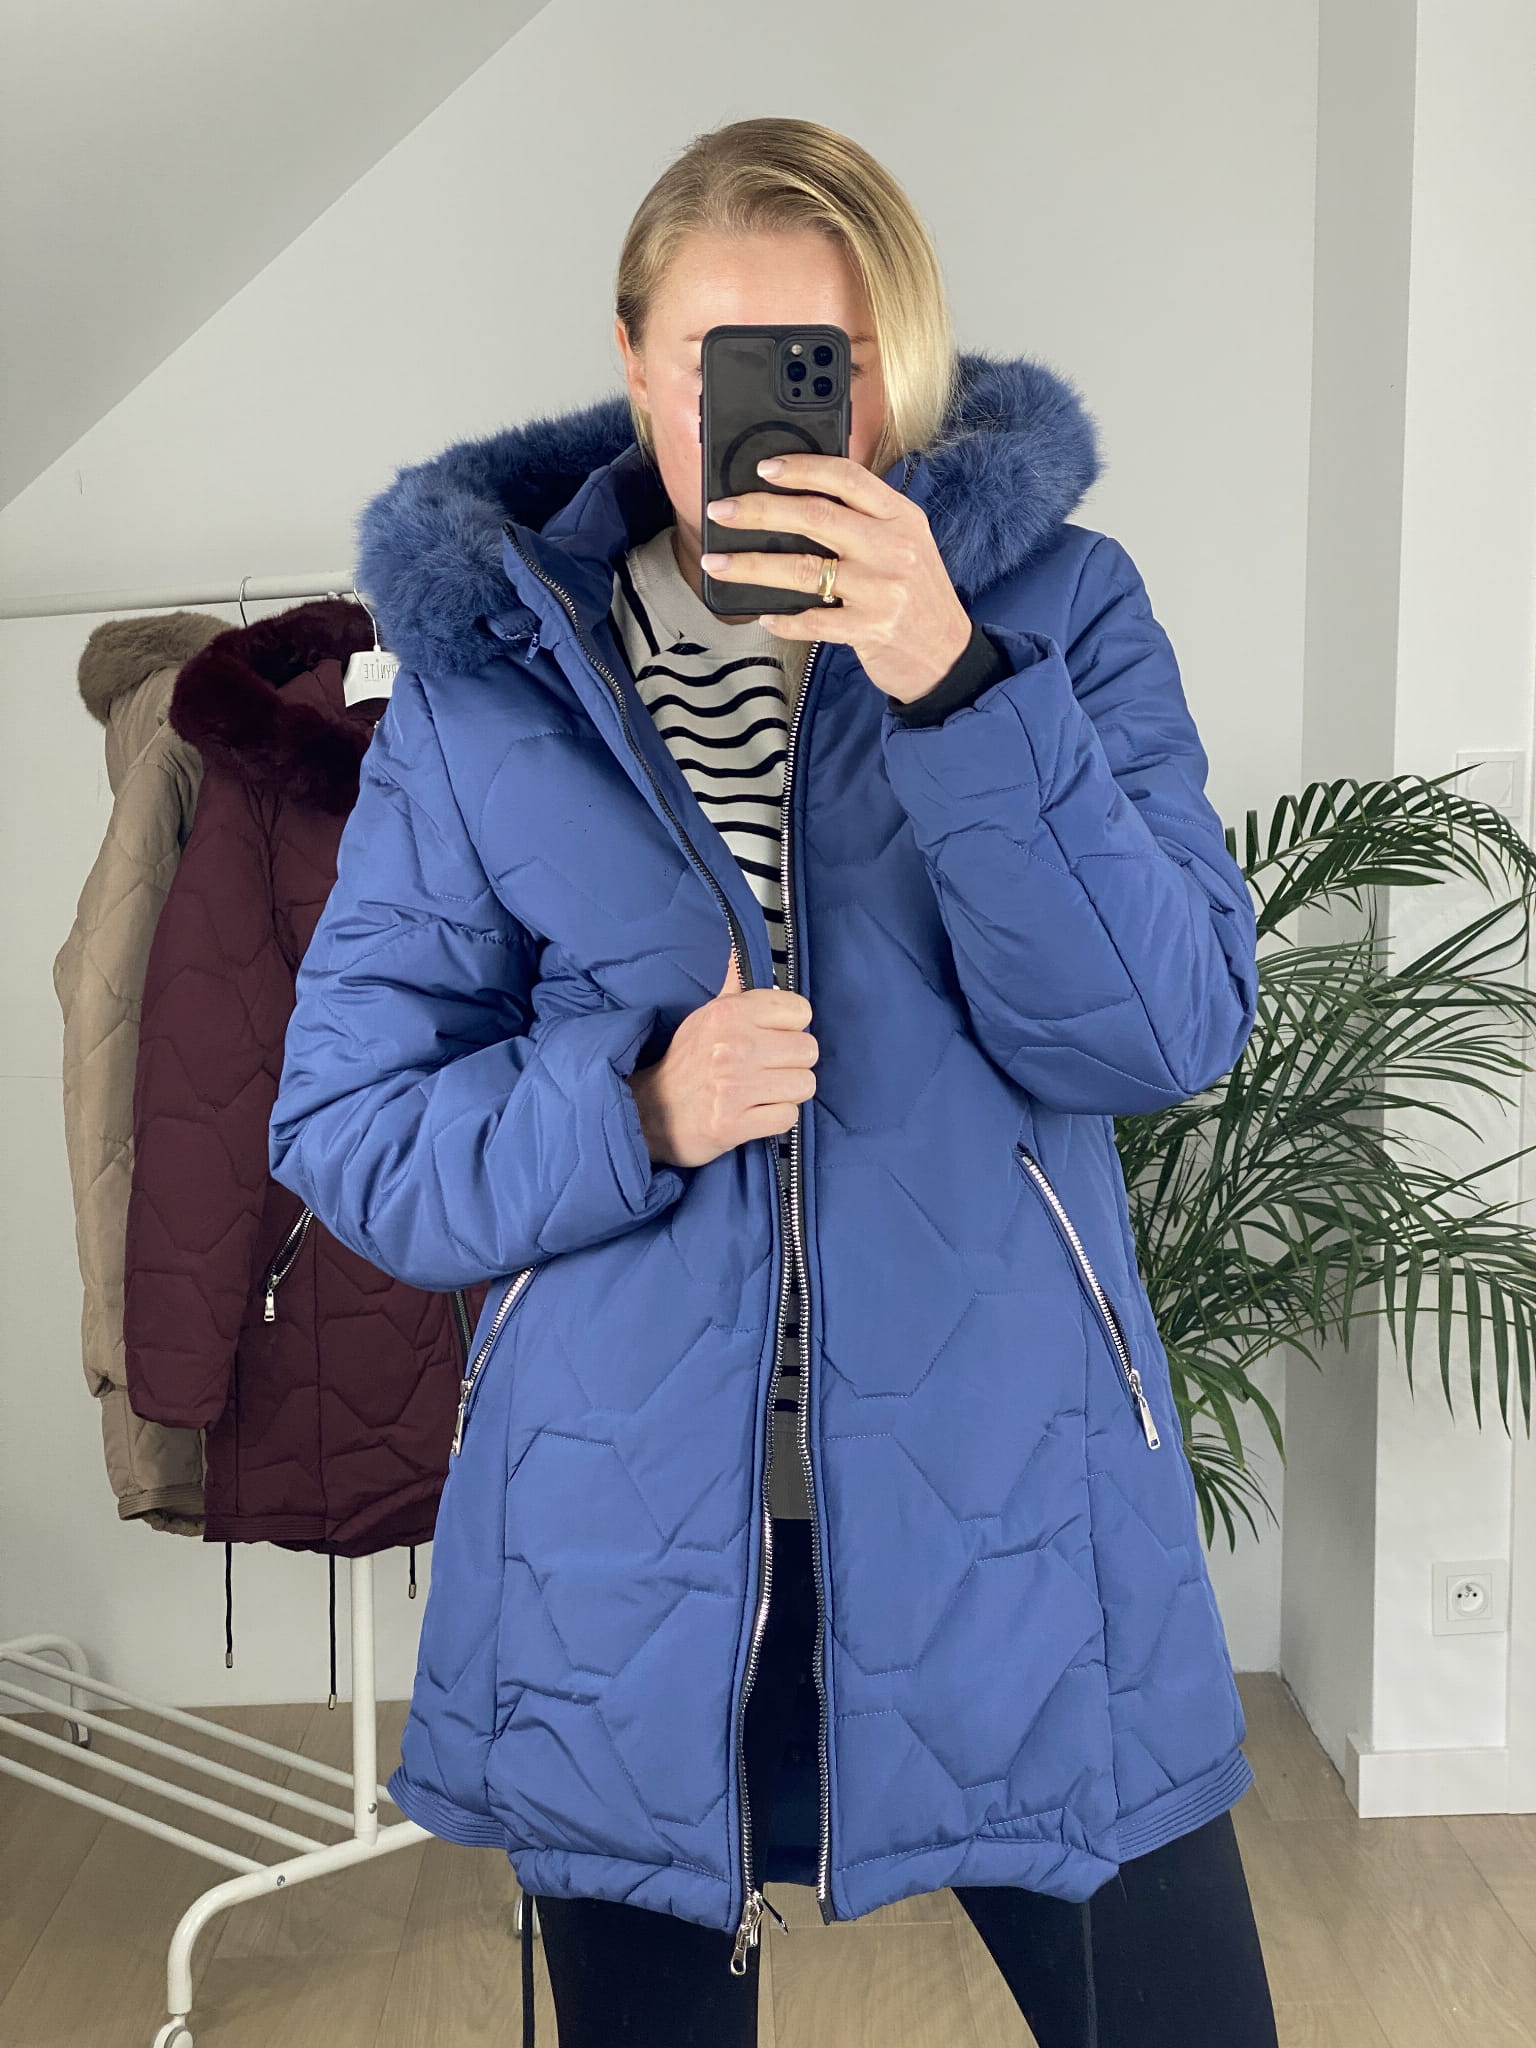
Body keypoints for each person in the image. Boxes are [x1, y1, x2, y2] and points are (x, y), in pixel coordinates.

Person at [269, 116, 1278, 2047]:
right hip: (618, 1543)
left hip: (1016, 1505)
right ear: (633, 357)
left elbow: (1159, 1032)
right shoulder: (491, 677)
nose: (771, 418)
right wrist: (635, 1111)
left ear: (897, 364)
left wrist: (954, 680)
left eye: (825, 362)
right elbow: (351, 1124)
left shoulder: (1059, 613)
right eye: (714, 360)